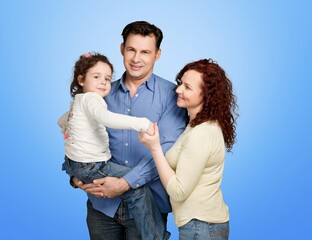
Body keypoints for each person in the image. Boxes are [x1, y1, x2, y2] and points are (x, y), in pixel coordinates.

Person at [71, 21, 187, 239]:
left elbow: (166, 151)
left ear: (157, 54)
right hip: (102, 206)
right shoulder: (100, 93)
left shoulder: (173, 96)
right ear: (122, 49)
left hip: (149, 205)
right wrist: (77, 176)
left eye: (145, 52)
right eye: (131, 49)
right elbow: (79, 133)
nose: (136, 59)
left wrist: (125, 183)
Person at [58, 52, 171, 240]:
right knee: (139, 190)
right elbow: (106, 118)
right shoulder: (93, 99)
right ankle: (155, 236)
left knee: (132, 186)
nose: (103, 82)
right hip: (94, 169)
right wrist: (143, 123)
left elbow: (61, 120)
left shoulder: (78, 101)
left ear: (157, 54)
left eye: (107, 78)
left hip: (75, 163)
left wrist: (69, 133)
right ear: (81, 79)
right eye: (96, 77)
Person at [139, 58, 238, 240]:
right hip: (202, 224)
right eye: (180, 84)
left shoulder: (201, 134)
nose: (178, 90)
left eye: (187, 87)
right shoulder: (195, 126)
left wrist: (155, 148)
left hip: (201, 226)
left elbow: (178, 190)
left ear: (206, 95)